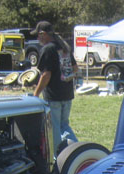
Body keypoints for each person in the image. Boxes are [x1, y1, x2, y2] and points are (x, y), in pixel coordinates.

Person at [31, 20, 79, 151]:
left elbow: (46, 75)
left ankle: (59, 156)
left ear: (43, 34)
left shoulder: (48, 49)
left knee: (55, 128)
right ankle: (77, 150)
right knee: (64, 126)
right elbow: (75, 68)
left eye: (38, 35)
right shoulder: (64, 46)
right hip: (67, 93)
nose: (37, 38)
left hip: (53, 96)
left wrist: (35, 94)